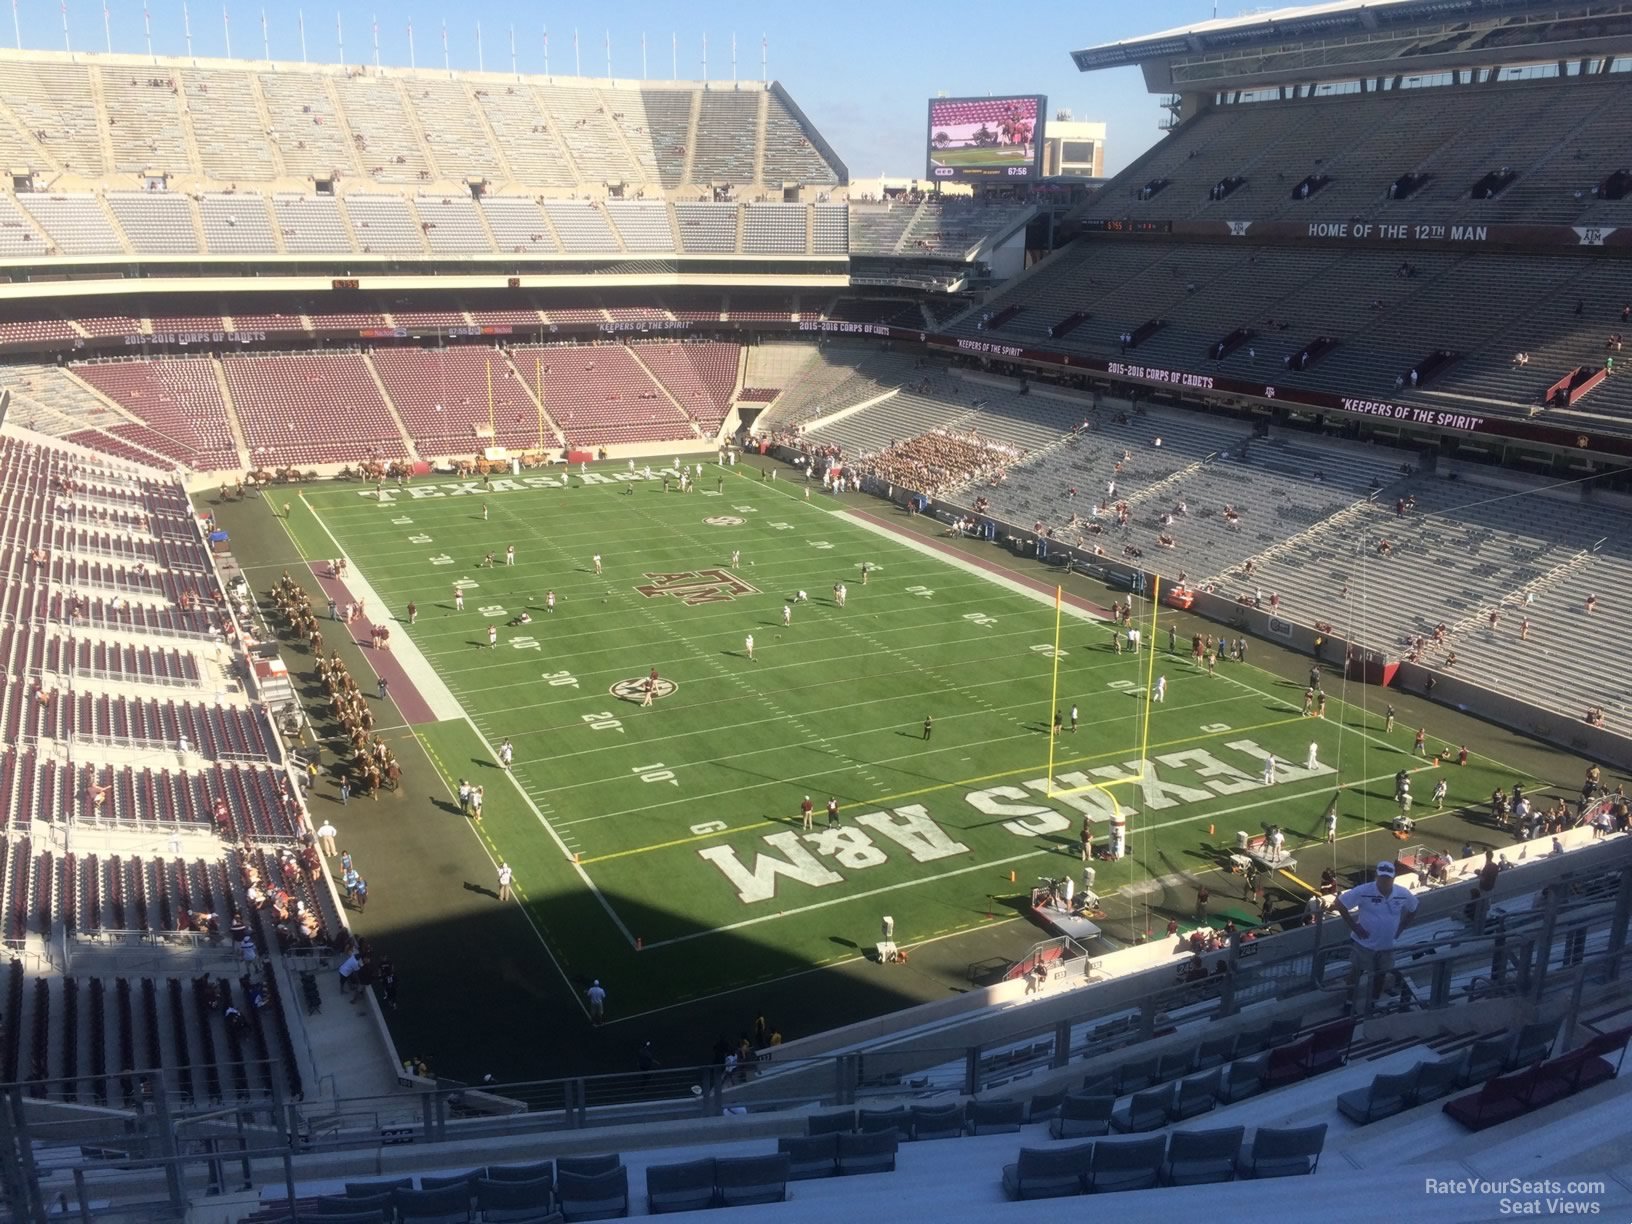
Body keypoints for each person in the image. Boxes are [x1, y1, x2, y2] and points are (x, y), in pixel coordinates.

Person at [1333, 861, 1419, 1005]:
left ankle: (1373, 1002)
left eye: (1388, 878)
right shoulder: (1363, 891)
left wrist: (1401, 928)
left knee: (1381, 975)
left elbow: (1414, 907)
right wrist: (1355, 927)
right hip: (1363, 944)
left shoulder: (1402, 893)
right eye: (1382, 878)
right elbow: (1340, 904)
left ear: (1393, 878)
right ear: (1376, 877)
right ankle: (1349, 1002)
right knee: (1355, 974)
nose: (1385, 881)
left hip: (1387, 945)